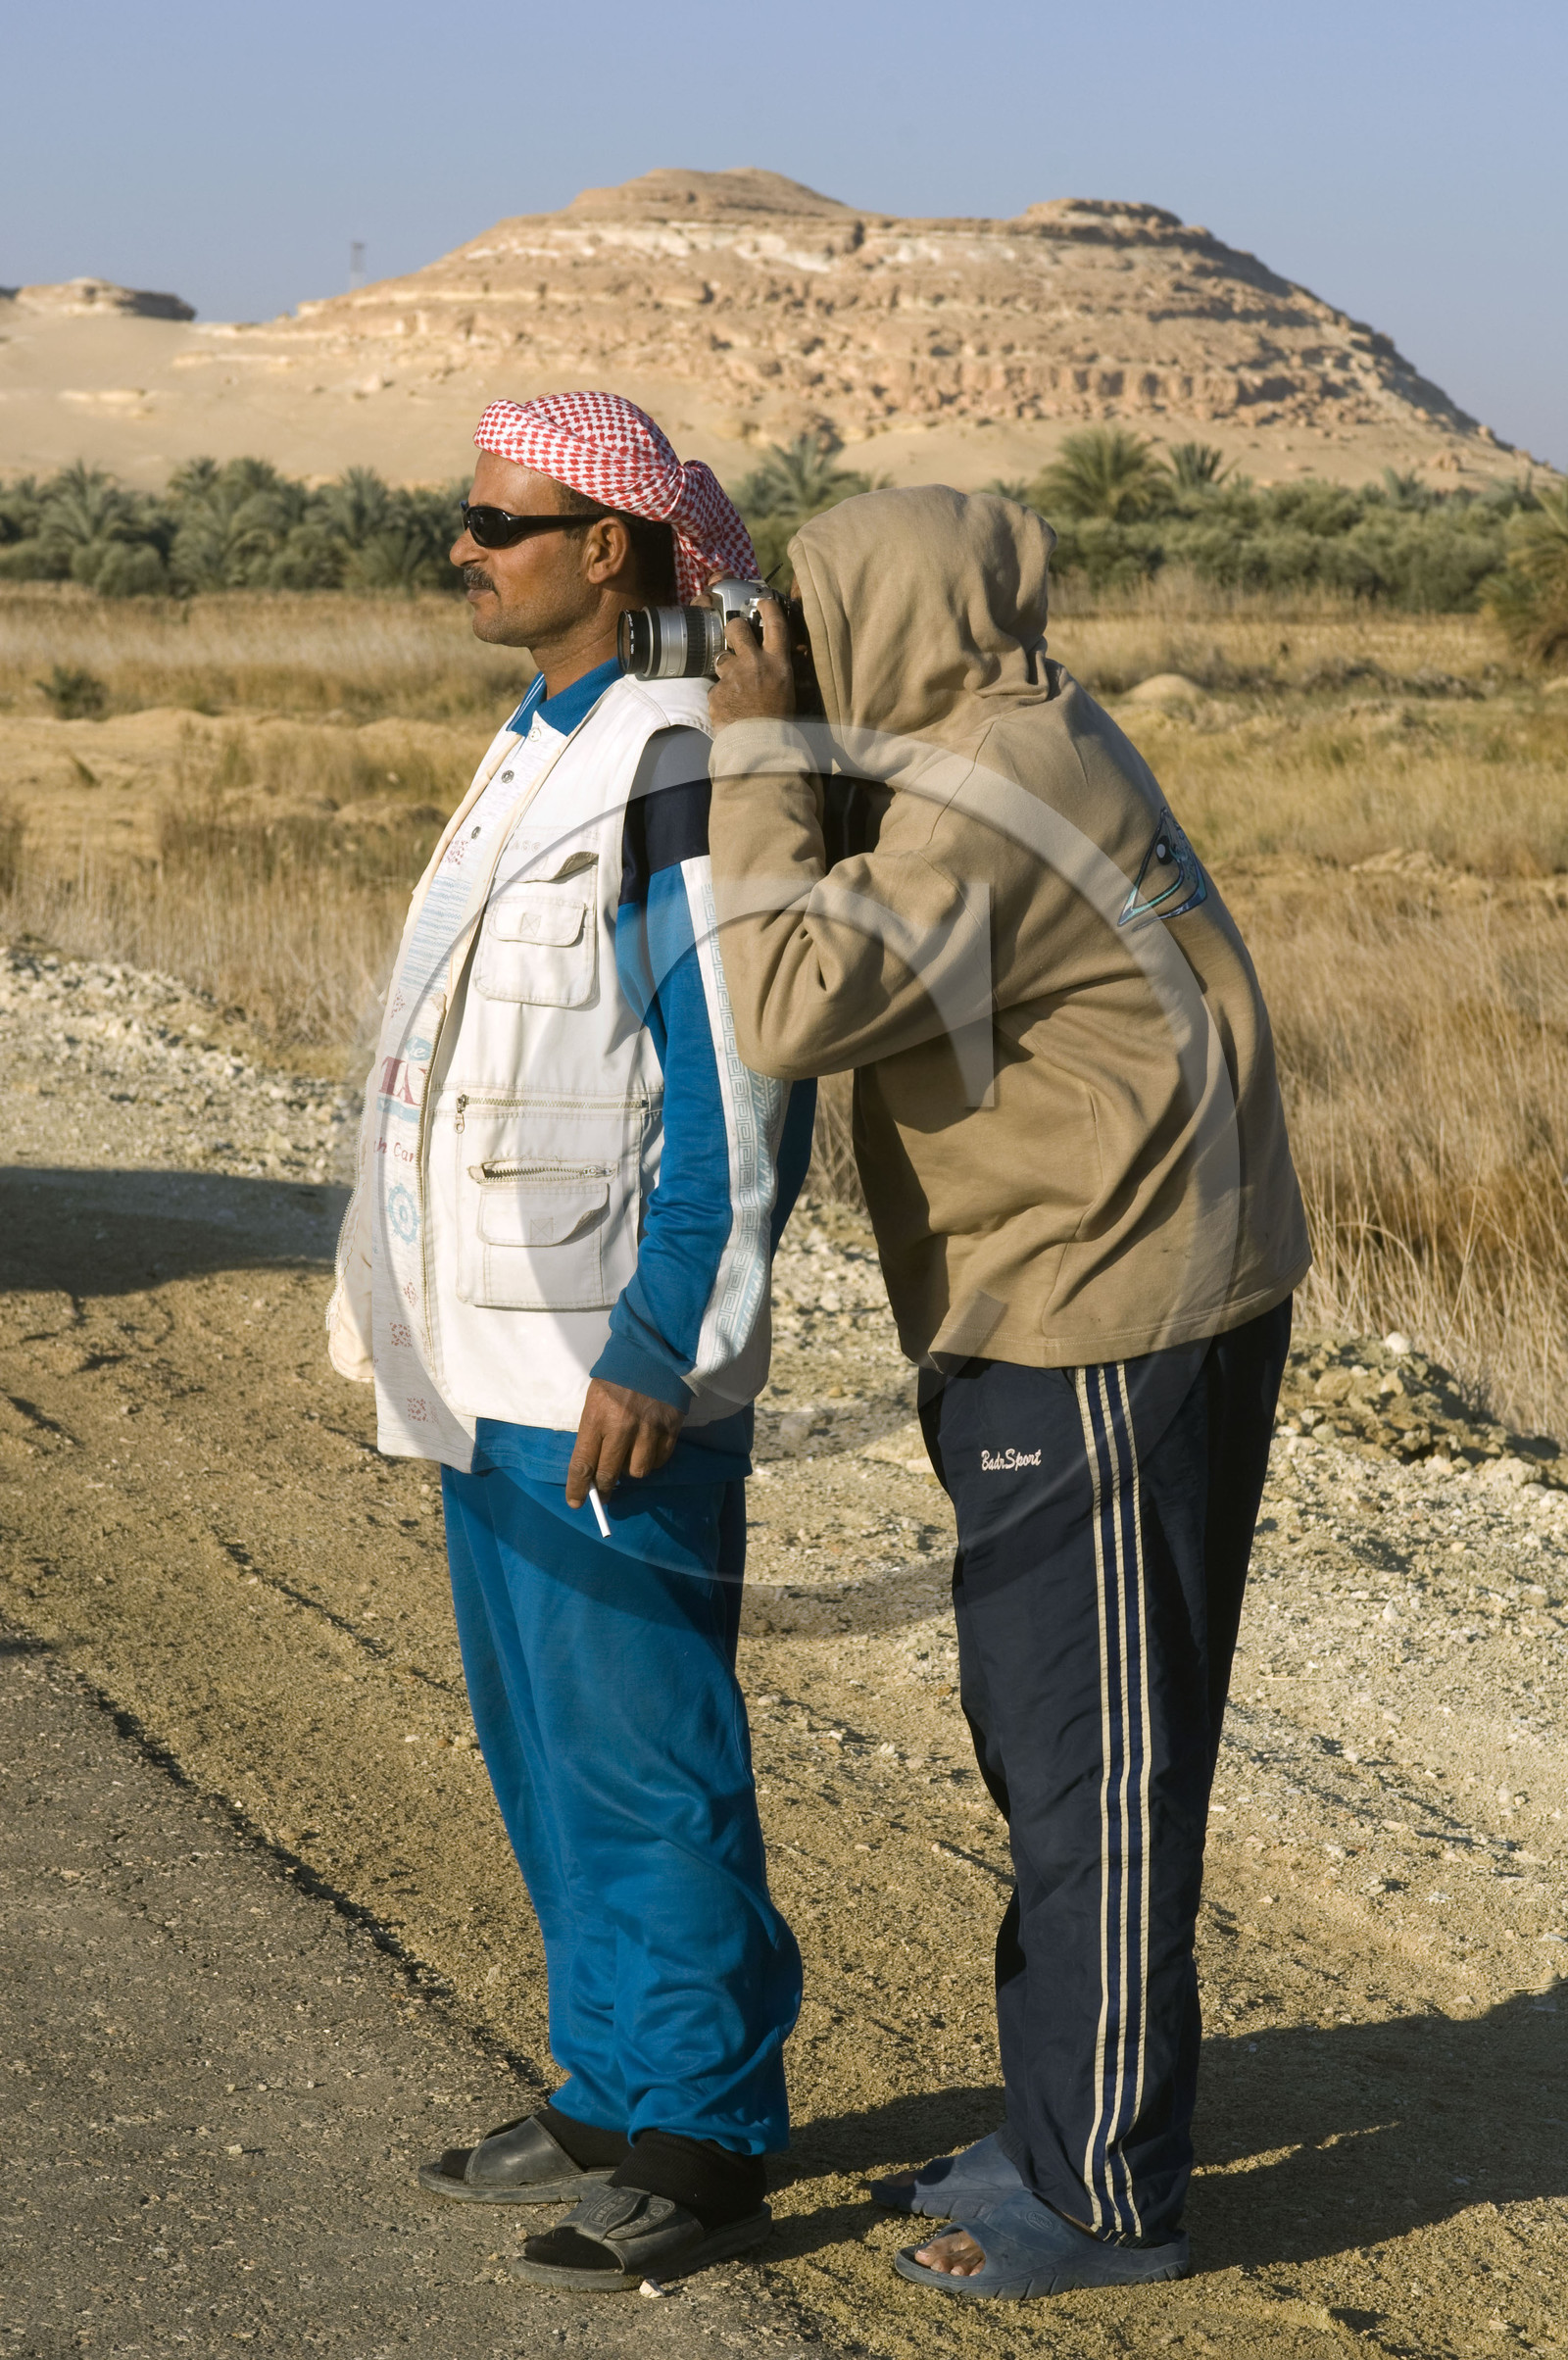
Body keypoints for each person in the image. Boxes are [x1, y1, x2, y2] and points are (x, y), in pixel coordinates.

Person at [703, 484, 1310, 2303]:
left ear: (878, 617)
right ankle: (1065, 2114)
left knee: (1093, 1763)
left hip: (1104, 1322)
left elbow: (785, 997)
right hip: (1082, 1299)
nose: (786, 657)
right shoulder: (1001, 734)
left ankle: (1107, 2188)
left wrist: (755, 755)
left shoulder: (1001, 782)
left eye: (805, 621)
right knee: (1061, 1733)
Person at [326, 391, 813, 2294]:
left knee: (642, 1750)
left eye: (493, 520)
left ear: (603, 546)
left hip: (606, 1353)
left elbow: (735, 1079)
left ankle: (699, 2131)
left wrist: (657, 1338)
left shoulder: (680, 757)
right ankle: (611, 2086)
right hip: (481, 1359)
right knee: (540, 1743)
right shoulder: (535, 739)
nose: (461, 545)